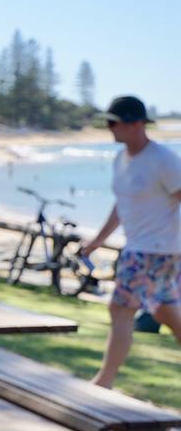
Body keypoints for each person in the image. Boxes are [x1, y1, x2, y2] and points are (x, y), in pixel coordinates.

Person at [81, 95, 181, 388]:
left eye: (114, 122)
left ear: (137, 123)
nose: (110, 128)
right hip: (140, 247)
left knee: (120, 308)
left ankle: (103, 382)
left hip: (157, 250)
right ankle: (104, 381)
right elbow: (121, 204)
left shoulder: (163, 160)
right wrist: (99, 240)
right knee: (163, 311)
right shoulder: (120, 160)